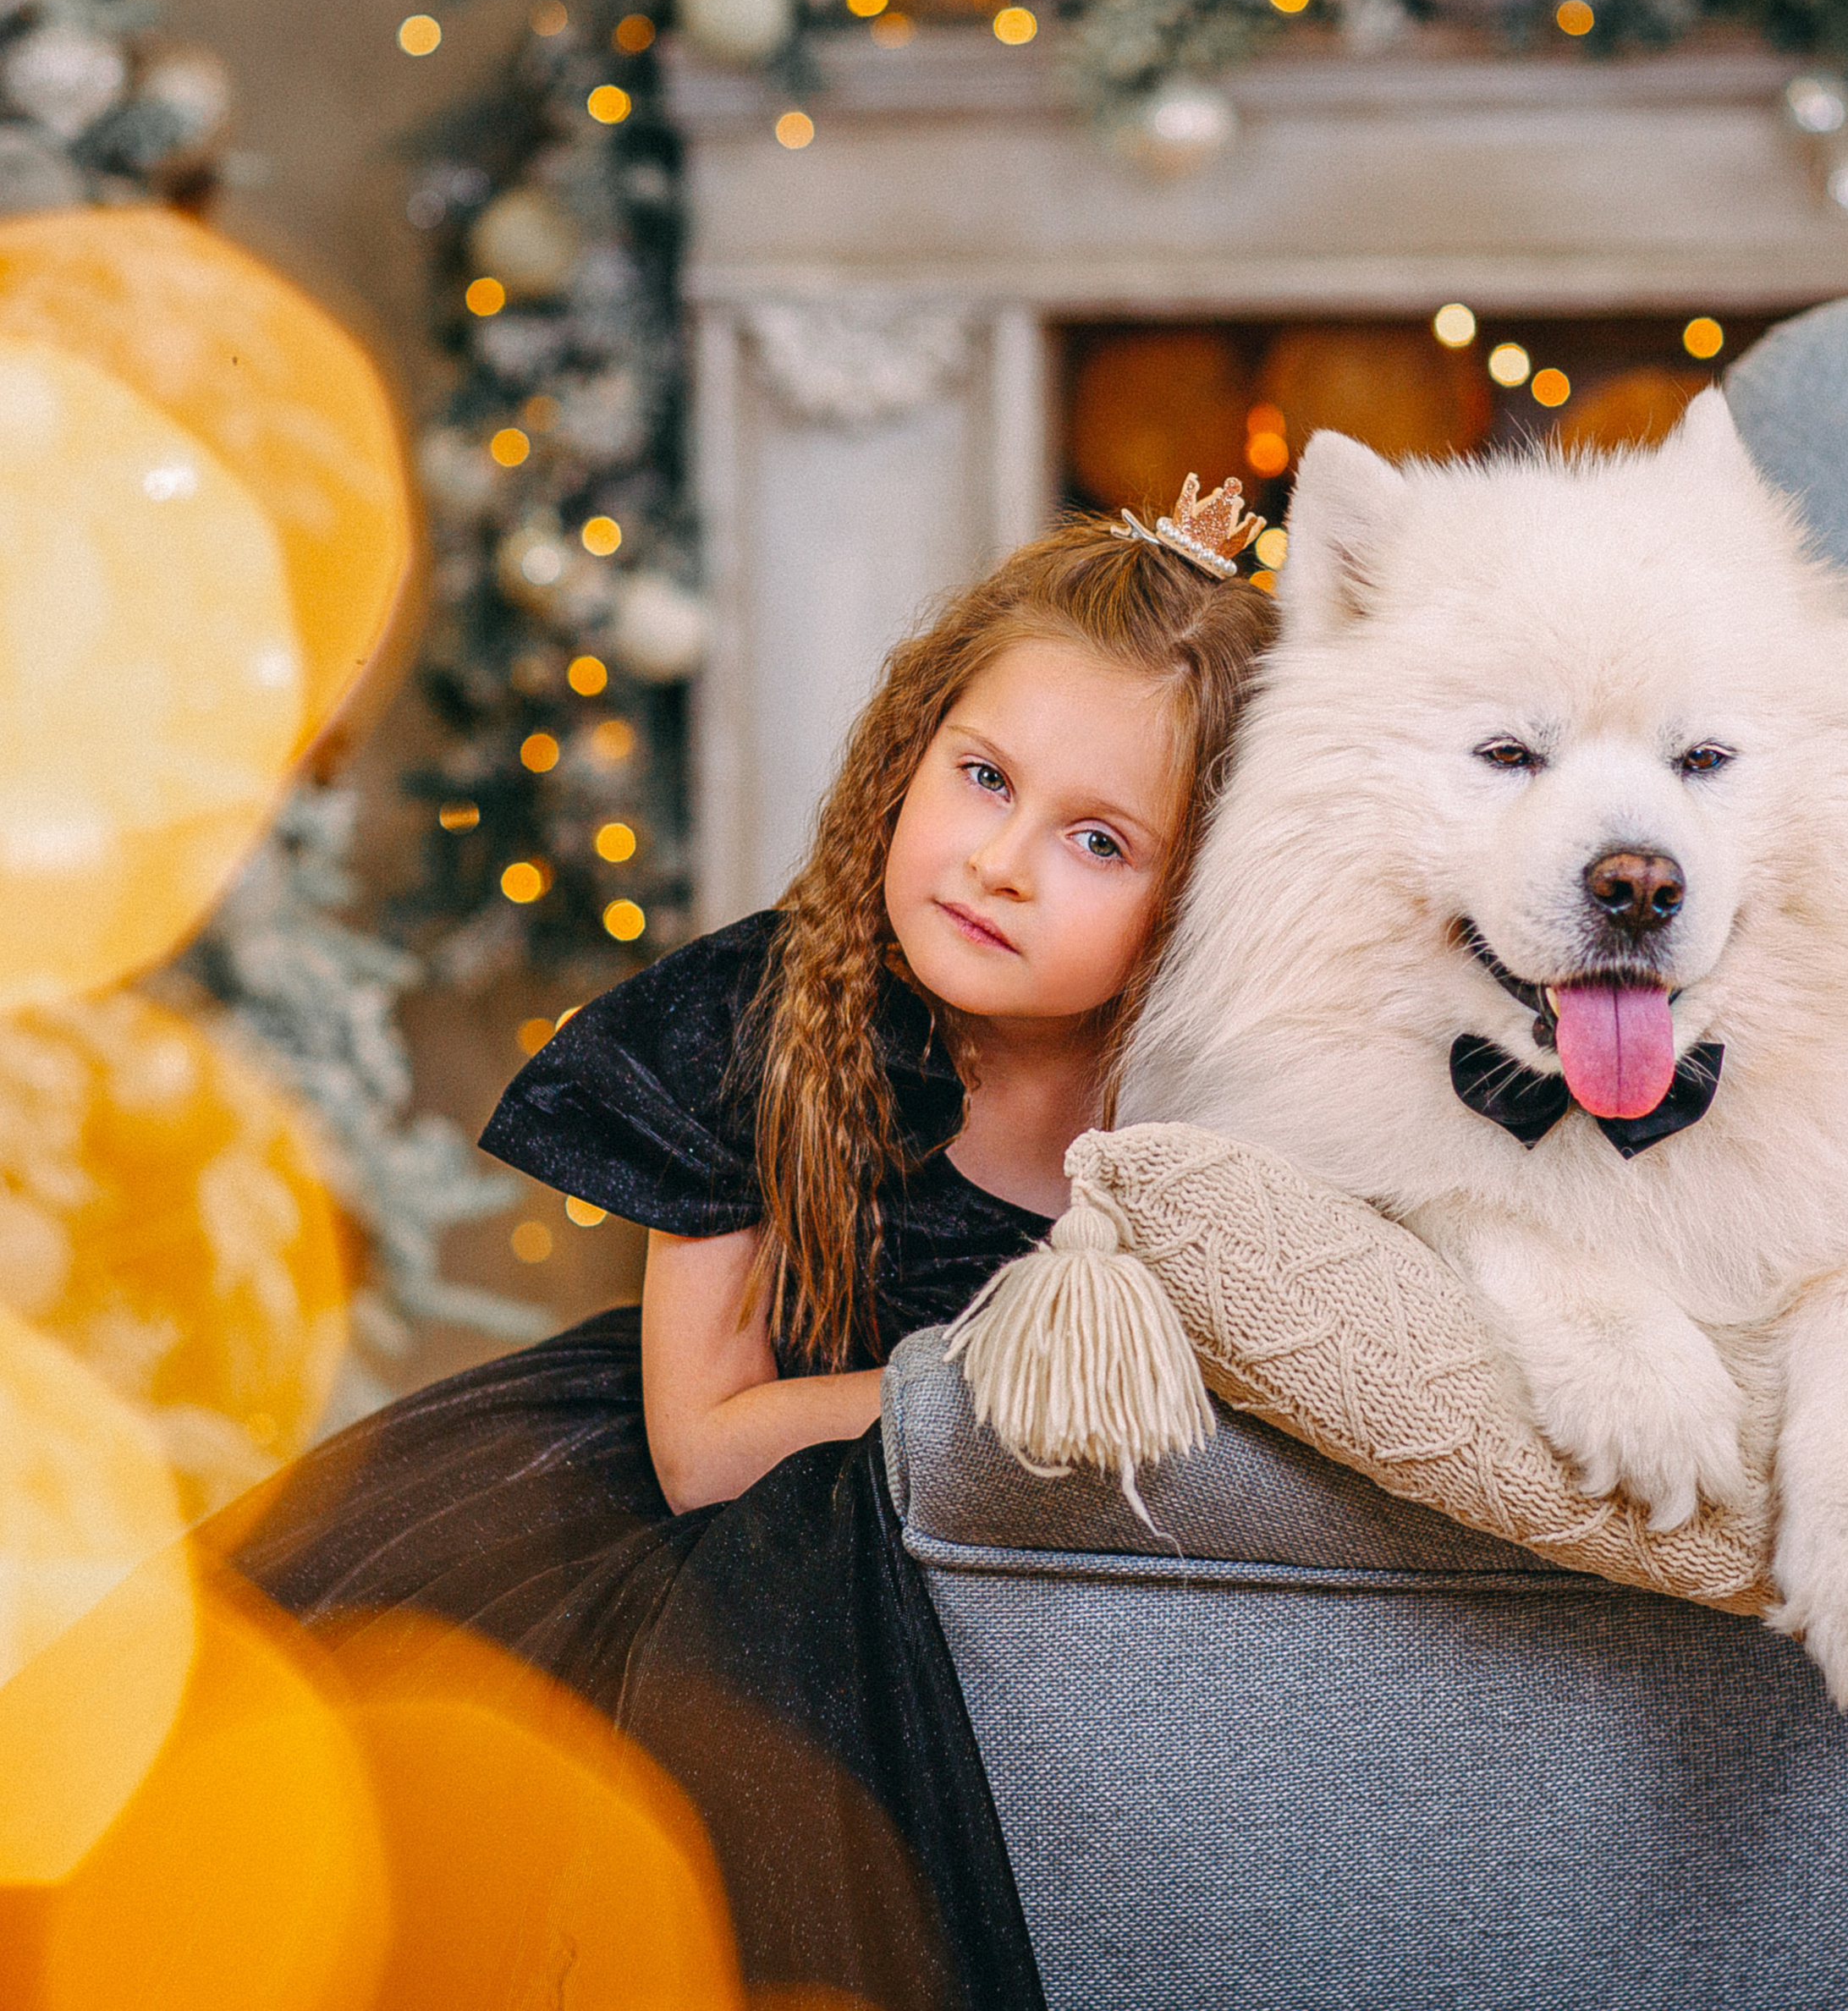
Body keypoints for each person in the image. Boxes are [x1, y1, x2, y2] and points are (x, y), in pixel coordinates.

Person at [218, 489, 1277, 2011]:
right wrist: (984, 1386)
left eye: (1097, 840)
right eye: (982, 779)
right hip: (726, 1540)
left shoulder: (1210, 1103)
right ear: (909, 756)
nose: (1000, 862)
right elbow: (705, 1445)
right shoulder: (771, 1019)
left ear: (1196, 903)